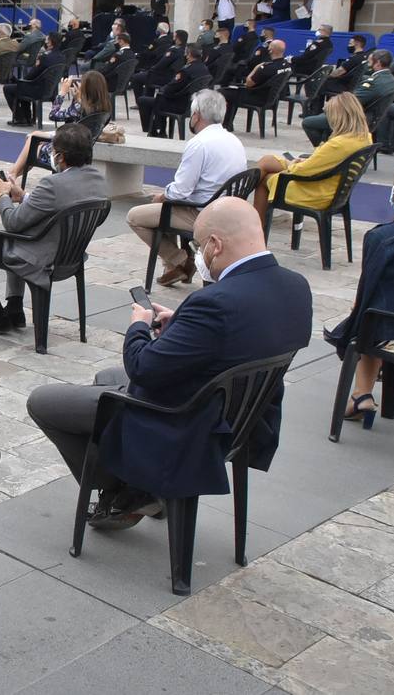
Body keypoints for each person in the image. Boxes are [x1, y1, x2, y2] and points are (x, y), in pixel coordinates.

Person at [27, 197, 311, 528]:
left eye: (201, 245)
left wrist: (138, 325)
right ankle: (136, 486)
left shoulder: (215, 302)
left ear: (216, 245)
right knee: (105, 376)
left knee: (43, 402)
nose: (201, 254)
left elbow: (143, 368)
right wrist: (182, 325)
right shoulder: (295, 287)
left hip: (187, 423)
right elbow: (243, 336)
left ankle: (126, 493)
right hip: (243, 416)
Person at [0, 123, 109, 334]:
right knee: (24, 230)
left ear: (61, 157)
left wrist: (3, 195)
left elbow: (12, 222)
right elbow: (63, 206)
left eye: (53, 151)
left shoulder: (52, 184)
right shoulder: (99, 181)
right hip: (70, 256)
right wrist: (23, 196)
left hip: (38, 256)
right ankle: (14, 308)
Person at [127, 90, 246, 285]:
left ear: (196, 115)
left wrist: (162, 196)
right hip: (225, 209)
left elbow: (181, 190)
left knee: (135, 216)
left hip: (202, 213)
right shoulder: (234, 141)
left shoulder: (199, 144)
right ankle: (175, 266)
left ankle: (181, 260)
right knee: (165, 207)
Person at [324, 170, 394, 426]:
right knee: (375, 320)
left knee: (368, 322)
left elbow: (365, 297)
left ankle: (362, 395)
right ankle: (363, 395)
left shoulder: (383, 238)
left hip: (385, 327)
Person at [253, 92, 373, 222]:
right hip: (333, 189)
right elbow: (324, 162)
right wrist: (300, 163)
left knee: (265, 179)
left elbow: (303, 171)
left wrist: (294, 164)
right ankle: (246, 209)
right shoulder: (365, 137)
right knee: (268, 160)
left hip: (316, 192)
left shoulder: (338, 144)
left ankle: (256, 223)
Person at [4, 71, 111, 182]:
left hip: (65, 152)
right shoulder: (104, 110)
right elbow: (78, 122)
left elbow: (54, 115)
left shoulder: (79, 107)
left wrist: (62, 93)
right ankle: (12, 175)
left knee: (33, 140)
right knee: (33, 138)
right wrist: (76, 100)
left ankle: (11, 174)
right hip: (82, 150)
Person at [302, 49, 394, 146]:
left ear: (378, 64)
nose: (367, 65)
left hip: (355, 121)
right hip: (369, 120)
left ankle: (325, 151)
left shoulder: (374, 83)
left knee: (309, 123)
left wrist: (329, 107)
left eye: (369, 62)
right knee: (324, 117)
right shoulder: (391, 81)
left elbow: (351, 102)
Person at [138, 43, 207, 136]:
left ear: (189, 54)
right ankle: (161, 130)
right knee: (160, 97)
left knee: (144, 100)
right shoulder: (204, 68)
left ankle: (153, 130)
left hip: (178, 104)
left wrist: (162, 89)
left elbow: (171, 88)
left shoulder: (186, 71)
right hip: (191, 103)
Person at [221, 38, 288, 131]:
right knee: (233, 93)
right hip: (271, 98)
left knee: (223, 92)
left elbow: (249, 83)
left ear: (270, 50)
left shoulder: (267, 68)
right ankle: (227, 124)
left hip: (257, 97)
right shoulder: (287, 66)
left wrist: (256, 68)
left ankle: (226, 124)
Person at [5, 31, 67, 126]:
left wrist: (18, 80)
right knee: (22, 86)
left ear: (50, 42)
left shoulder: (45, 57)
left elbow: (30, 76)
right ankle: (27, 117)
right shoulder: (62, 57)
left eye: (47, 40)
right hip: (52, 90)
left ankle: (20, 118)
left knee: (9, 88)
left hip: (38, 90)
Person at [314, 34, 371, 109]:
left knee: (320, 83)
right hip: (353, 84)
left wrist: (326, 75)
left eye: (350, 43)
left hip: (344, 86)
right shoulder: (364, 57)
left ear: (357, 44)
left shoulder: (354, 59)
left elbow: (338, 72)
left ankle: (315, 110)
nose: (348, 45)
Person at [132, 29, 188, 102]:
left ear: (177, 38)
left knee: (136, 78)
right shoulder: (186, 49)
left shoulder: (174, 50)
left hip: (165, 77)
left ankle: (140, 102)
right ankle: (147, 99)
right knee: (148, 77)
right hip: (175, 76)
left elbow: (161, 64)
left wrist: (151, 69)